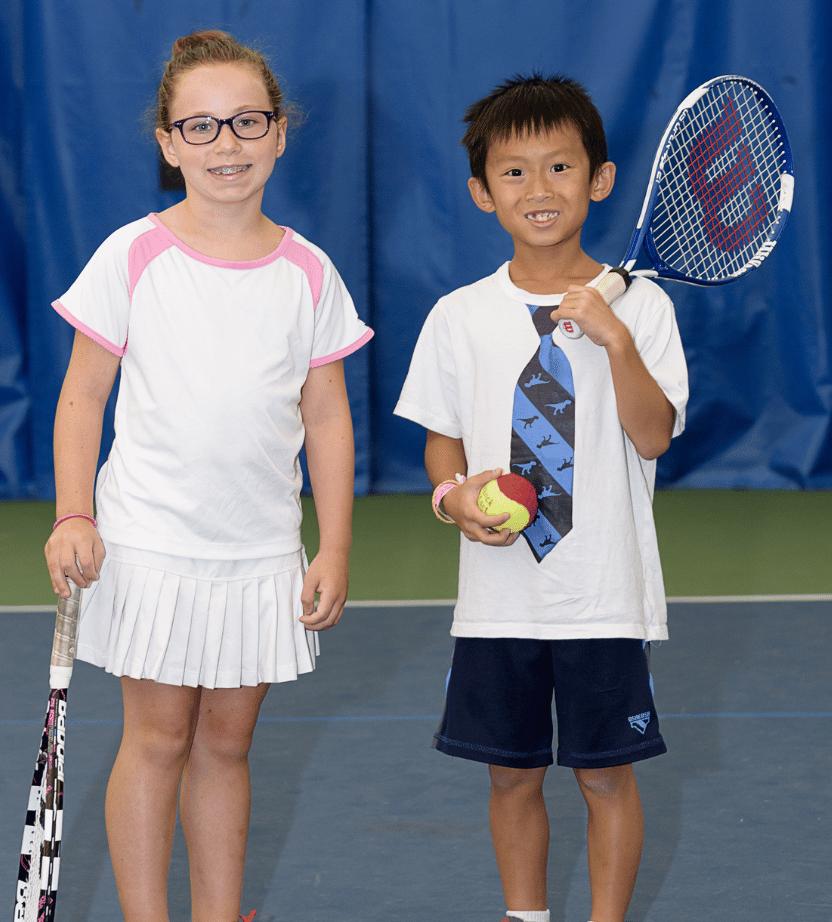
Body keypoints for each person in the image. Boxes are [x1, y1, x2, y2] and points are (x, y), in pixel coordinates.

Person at [44, 30, 372, 922]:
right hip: (150, 547)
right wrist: (74, 513)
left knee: (227, 747)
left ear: (279, 133)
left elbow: (327, 416)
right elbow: (81, 398)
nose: (226, 143)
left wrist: (334, 546)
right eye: (200, 126)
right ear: (168, 143)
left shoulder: (310, 272)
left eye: (246, 121)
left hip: (259, 555)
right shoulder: (131, 255)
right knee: (157, 740)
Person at [395, 74, 688, 922]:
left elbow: (654, 436)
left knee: (606, 777)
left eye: (560, 166)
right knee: (511, 775)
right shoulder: (458, 315)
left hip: (603, 596)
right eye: (514, 172)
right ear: (482, 193)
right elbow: (442, 439)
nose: (539, 188)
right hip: (499, 601)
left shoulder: (644, 310)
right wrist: (452, 498)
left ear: (600, 179)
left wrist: (615, 339)